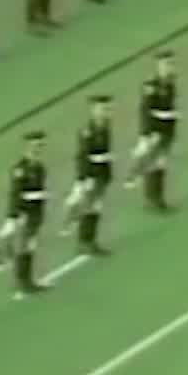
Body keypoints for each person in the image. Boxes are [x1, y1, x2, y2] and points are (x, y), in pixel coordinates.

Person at [0, 131, 49, 296]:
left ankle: (26, 279)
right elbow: (16, 194)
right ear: (26, 147)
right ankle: (22, 281)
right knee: (24, 247)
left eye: (40, 145)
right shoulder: (20, 170)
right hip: (24, 213)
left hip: (36, 213)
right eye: (34, 145)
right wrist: (15, 215)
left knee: (30, 246)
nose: (37, 149)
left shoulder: (40, 167)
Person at [66, 96, 115, 255]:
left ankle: (90, 240)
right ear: (93, 110)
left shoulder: (105, 126)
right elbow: (83, 156)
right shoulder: (88, 131)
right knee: (89, 208)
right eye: (102, 109)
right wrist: (84, 178)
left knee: (96, 208)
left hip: (101, 175)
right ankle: (84, 241)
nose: (105, 112)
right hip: (92, 176)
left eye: (107, 109)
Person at [130, 50, 178, 209]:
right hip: (155, 131)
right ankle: (152, 199)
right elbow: (145, 110)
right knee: (153, 164)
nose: (169, 67)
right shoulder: (151, 86)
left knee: (161, 164)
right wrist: (148, 133)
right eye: (166, 64)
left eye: (171, 64)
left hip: (166, 130)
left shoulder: (170, 82)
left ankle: (157, 197)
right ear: (158, 66)